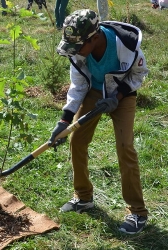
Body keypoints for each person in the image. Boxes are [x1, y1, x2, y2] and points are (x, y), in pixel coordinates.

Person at [51, 9, 149, 234]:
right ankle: (83, 197)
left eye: (78, 47)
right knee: (77, 140)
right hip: (93, 92)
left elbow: (139, 73)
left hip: (122, 95)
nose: (74, 52)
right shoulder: (79, 50)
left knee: (125, 147)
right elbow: (78, 85)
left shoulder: (126, 45)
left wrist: (117, 97)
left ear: (94, 38)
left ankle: (137, 212)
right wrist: (65, 120)